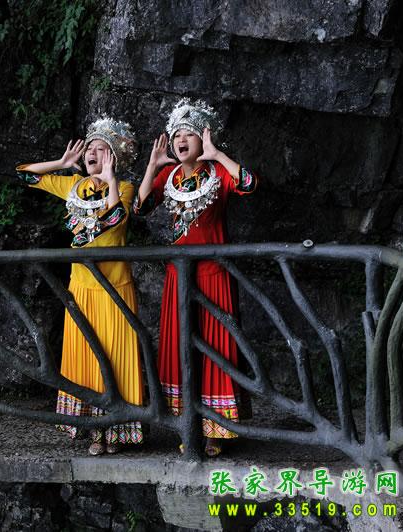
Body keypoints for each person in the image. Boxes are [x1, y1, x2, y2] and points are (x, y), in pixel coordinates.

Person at [134, 99, 257, 457]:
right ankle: (187, 424)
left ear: (203, 138)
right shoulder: (169, 176)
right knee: (181, 346)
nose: (181, 140)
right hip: (180, 274)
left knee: (215, 346)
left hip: (213, 273)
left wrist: (217, 155)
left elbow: (249, 183)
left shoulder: (217, 173)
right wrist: (152, 165)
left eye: (189, 134)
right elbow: (140, 207)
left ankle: (215, 430)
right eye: (176, 135)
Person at [15, 117, 143, 456]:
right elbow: (25, 174)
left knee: (115, 357)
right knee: (89, 357)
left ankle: (116, 430)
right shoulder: (74, 186)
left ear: (114, 156)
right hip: (82, 287)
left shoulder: (125, 188)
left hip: (115, 286)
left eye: (101, 149)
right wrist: (61, 162)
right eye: (90, 148)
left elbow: (114, 218)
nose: (92, 153)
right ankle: (94, 430)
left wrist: (111, 179)